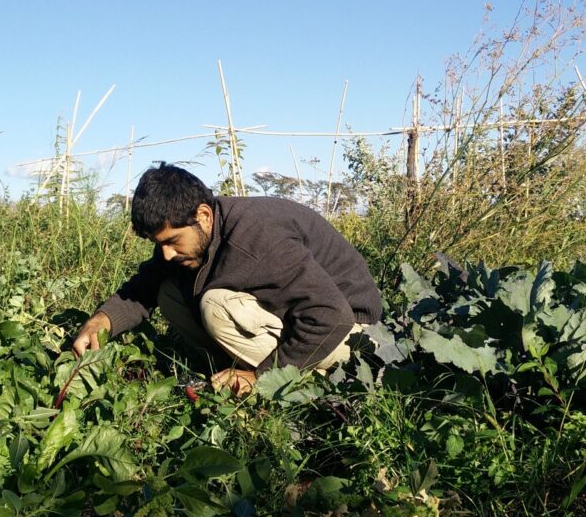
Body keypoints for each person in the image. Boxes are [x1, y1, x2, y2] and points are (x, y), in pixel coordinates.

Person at [73, 163, 382, 396]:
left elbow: (331, 315)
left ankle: (304, 383)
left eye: (172, 241)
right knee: (169, 291)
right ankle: (231, 372)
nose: (166, 253)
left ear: (204, 215)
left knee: (215, 305)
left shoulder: (258, 238)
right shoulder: (192, 238)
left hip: (352, 336)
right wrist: (101, 321)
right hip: (305, 319)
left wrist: (260, 376)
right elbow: (146, 287)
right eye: (159, 244)